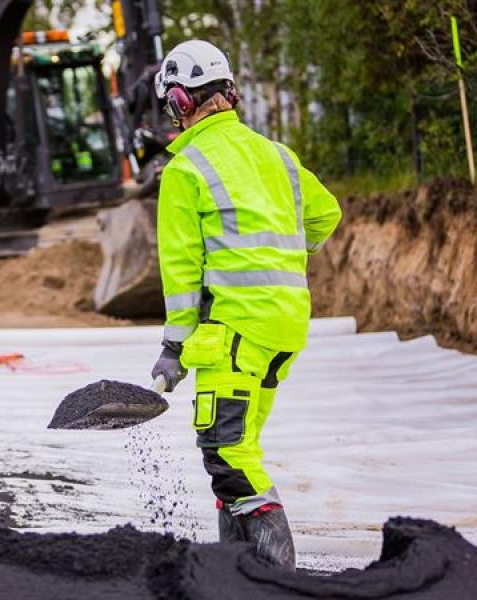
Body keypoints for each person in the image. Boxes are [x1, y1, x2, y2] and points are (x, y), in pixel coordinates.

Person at [149, 40, 342, 570]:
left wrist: (173, 346)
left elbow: (182, 273)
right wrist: (278, 259)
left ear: (184, 102)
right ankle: (234, 571)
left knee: (225, 451)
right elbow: (326, 216)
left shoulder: (187, 170)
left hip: (235, 332)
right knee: (243, 443)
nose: (172, 117)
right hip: (285, 327)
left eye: (172, 106)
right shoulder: (277, 155)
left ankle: (276, 572)